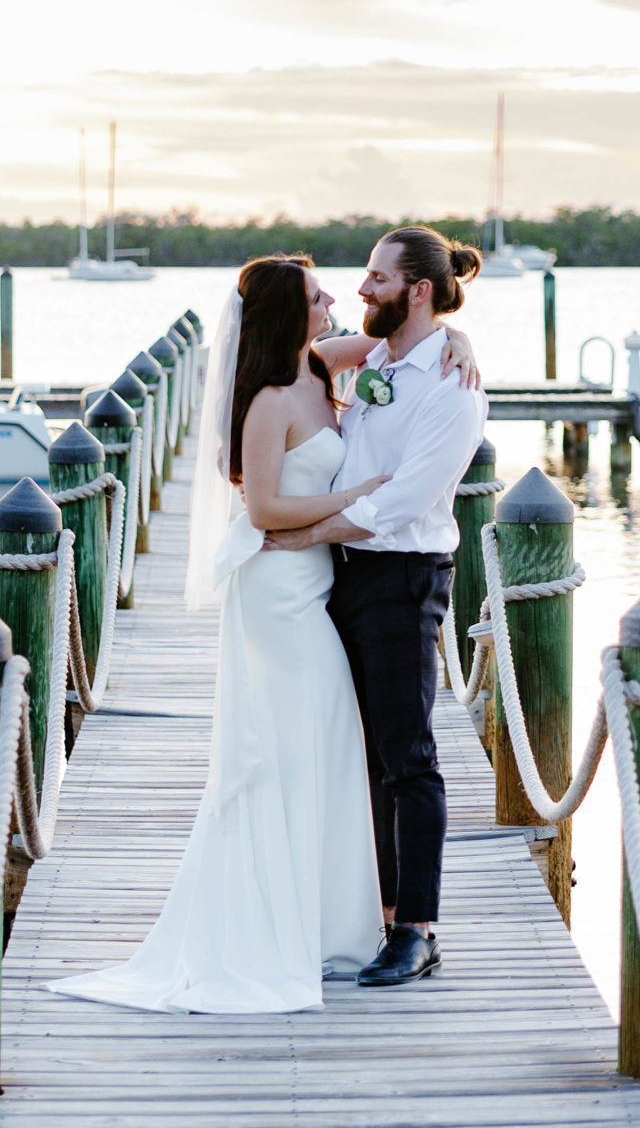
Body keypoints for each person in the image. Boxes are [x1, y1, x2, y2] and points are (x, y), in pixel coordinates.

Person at [47, 252, 479, 1014]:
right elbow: (262, 510)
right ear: (291, 311)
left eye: (357, 284)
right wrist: (348, 497)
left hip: (331, 574)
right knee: (290, 745)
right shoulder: (271, 400)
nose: (340, 299)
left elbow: (399, 352)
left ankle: (380, 920)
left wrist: (458, 338)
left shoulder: (324, 364)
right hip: (285, 584)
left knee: (342, 743)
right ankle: (302, 915)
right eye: (320, 295)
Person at [260, 226, 490, 988]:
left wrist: (308, 532)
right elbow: (291, 364)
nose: (361, 290)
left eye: (377, 278)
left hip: (402, 579)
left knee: (408, 758)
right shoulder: (380, 358)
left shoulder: (453, 388)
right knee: (359, 755)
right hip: (344, 576)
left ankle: (418, 929)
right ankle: (379, 914)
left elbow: (406, 499)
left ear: (416, 289)